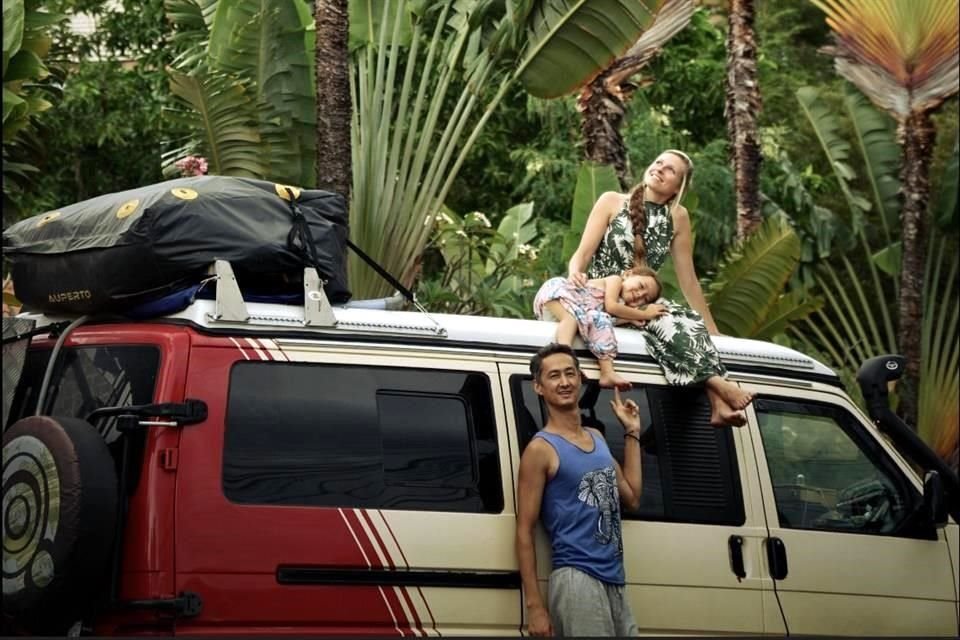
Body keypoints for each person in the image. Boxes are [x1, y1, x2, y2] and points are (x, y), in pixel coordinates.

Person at [568, 149, 754, 427]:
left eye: (670, 170)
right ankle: (720, 386)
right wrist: (574, 275)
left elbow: (688, 280)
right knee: (669, 324)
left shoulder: (678, 217)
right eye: (658, 163)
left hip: (642, 299)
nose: (660, 169)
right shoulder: (612, 201)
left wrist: (712, 330)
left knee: (688, 321)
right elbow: (582, 254)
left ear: (678, 187)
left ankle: (717, 405)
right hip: (606, 299)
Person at [516, 343, 642, 637]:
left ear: (581, 378)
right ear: (539, 387)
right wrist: (534, 606)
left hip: (615, 578)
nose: (564, 382)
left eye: (570, 374)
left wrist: (632, 431)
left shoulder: (597, 438)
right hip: (577, 578)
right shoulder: (540, 449)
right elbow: (524, 530)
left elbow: (632, 497)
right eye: (554, 376)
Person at [533, 267, 667, 390]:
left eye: (645, 298)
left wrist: (629, 318)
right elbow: (611, 306)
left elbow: (603, 321)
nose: (639, 294)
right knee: (570, 319)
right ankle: (563, 359)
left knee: (599, 319)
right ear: (628, 274)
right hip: (559, 291)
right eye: (641, 286)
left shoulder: (618, 306)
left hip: (573, 309)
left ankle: (607, 372)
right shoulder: (615, 281)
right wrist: (645, 313)